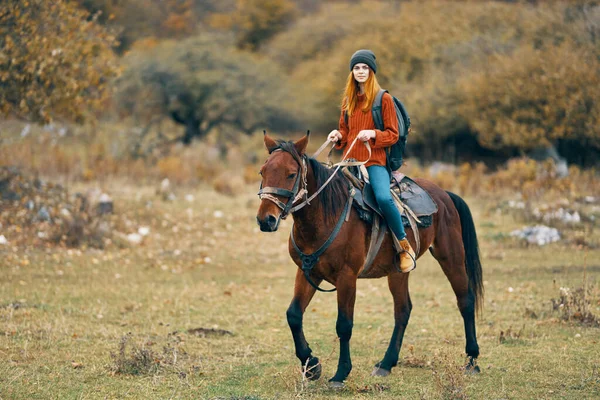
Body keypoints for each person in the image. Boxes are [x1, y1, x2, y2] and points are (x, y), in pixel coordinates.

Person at [327, 49, 415, 272]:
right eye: (356, 68)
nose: (360, 71)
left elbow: (393, 134)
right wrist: (337, 136)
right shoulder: (348, 100)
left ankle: (404, 245)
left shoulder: (383, 99)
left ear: (372, 71)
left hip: (374, 161)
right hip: (349, 162)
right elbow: (346, 132)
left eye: (365, 67)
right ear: (352, 72)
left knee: (384, 198)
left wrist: (374, 133)